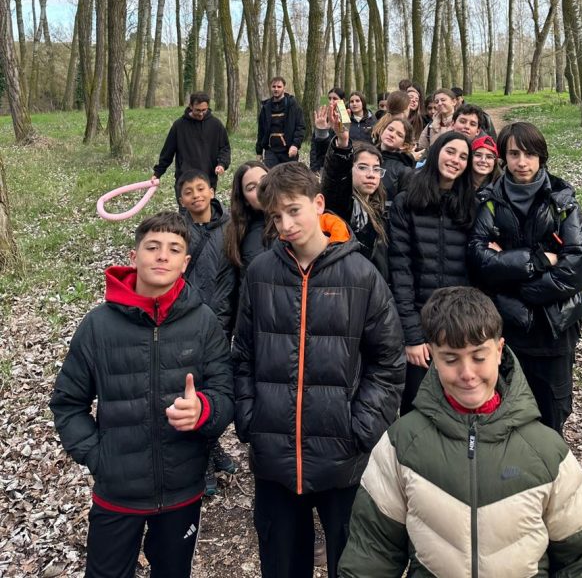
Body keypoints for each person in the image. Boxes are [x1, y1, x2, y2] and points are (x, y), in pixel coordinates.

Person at [338, 285, 582, 578]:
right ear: (432, 355)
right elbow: (372, 555)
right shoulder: (400, 445)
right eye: (451, 359)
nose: (467, 373)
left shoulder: (546, 451)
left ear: (499, 350)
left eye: (478, 357)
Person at [232, 162, 406, 578]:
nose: (286, 225)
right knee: (282, 564)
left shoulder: (361, 274)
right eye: (276, 216)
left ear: (318, 204)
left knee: (348, 565)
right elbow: (243, 354)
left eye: (294, 210)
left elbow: (388, 360)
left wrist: (360, 428)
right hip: (275, 456)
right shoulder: (260, 273)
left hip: (342, 458)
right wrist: (250, 419)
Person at [50, 212, 234, 578]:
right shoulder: (98, 326)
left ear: (185, 263)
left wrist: (204, 410)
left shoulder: (204, 323)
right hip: (117, 493)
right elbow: (68, 403)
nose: (162, 256)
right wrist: (99, 457)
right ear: (134, 257)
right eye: (153, 247)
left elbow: (225, 393)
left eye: (174, 249)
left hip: (182, 489)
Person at [469, 121, 582, 434]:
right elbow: (479, 261)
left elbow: (577, 265)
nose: (522, 162)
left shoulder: (561, 201)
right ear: (504, 158)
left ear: (541, 157)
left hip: (554, 327)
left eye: (529, 154)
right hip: (509, 325)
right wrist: (538, 260)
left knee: (552, 413)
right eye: (514, 154)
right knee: (508, 409)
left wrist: (516, 282)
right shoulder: (490, 201)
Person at [389, 131, 476, 412]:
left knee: (458, 407)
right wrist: (412, 336)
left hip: (460, 322)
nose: (455, 160)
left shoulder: (470, 205)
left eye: (463, 157)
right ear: (437, 151)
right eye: (450, 152)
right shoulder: (407, 202)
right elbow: (400, 271)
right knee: (417, 408)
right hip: (420, 321)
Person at [177, 170, 238, 494]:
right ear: (181, 199)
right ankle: (202, 459)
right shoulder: (178, 230)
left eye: (200, 188)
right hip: (186, 323)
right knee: (193, 387)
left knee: (216, 388)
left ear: (212, 191)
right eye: (188, 191)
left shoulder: (231, 226)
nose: (196, 195)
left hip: (222, 323)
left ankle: (212, 445)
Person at [320, 115, 392, 281]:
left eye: (376, 169)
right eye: (362, 167)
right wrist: (343, 145)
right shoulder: (345, 205)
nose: (371, 175)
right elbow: (336, 179)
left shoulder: (380, 209)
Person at [153, 91, 231, 198]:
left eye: (204, 110)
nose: (201, 113)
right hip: (184, 179)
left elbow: (225, 148)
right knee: (185, 209)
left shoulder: (216, 125)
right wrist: (157, 173)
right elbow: (167, 152)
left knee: (206, 209)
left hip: (208, 179)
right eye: (197, 110)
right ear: (190, 106)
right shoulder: (179, 126)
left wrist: (222, 164)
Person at [256, 76, 306, 168]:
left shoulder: (293, 105)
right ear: (270, 88)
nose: (276, 89)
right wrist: (259, 152)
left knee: (289, 176)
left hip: (288, 150)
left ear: (284, 88)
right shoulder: (266, 108)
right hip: (271, 151)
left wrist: (295, 145)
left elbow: (300, 127)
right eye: (274, 86)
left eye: (279, 87)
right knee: (271, 175)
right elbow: (261, 131)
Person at [416, 88, 457, 157]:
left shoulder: (460, 123)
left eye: (443, 100)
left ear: (454, 102)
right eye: (437, 101)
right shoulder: (431, 125)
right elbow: (421, 147)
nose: (439, 103)